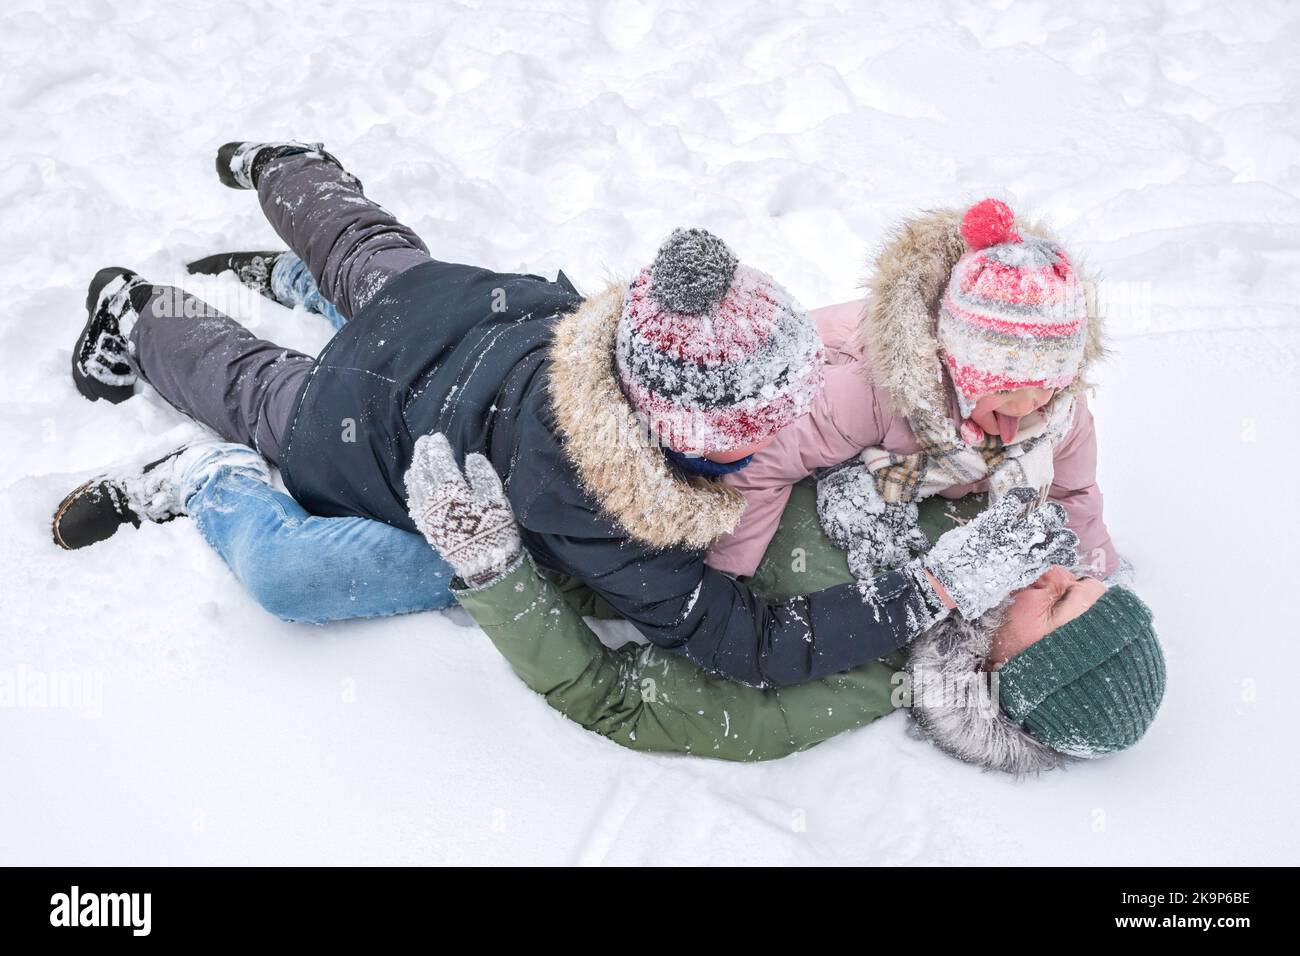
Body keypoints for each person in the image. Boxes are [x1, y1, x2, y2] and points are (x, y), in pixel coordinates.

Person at [53, 141, 1078, 688]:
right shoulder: (606, 501)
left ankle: (285, 171)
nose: (782, 435)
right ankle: (138, 314)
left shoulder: (629, 346)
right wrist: (919, 593)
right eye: (760, 422)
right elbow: (742, 642)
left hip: (470, 314)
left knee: (373, 261)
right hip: (358, 422)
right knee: (255, 385)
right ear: (686, 430)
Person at [401, 437, 1164, 771]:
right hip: (601, 412)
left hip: (531, 526)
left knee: (305, 563)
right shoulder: (983, 530)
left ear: (1016, 677)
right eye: (1070, 576)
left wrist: (495, 567)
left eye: (1057, 601)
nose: (1042, 576)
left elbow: (614, 701)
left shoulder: (838, 686)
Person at [709, 199, 1124, 583]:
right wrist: (727, 577)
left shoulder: (1060, 411)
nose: (1028, 405)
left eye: (1047, 385)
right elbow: (764, 461)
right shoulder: (875, 390)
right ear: (958, 365)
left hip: (916, 466)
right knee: (821, 561)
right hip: (776, 415)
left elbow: (1073, 492)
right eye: (1006, 388)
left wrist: (1095, 575)